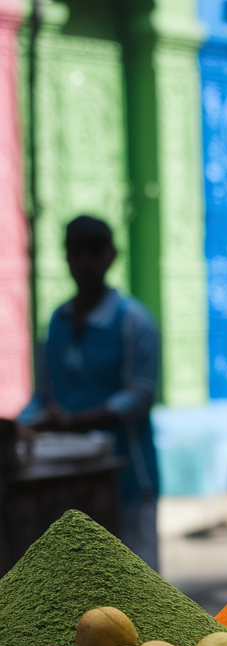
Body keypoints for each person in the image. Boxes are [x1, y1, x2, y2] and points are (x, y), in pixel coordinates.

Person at [21, 217, 161, 568]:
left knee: (139, 577)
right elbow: (44, 394)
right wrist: (26, 423)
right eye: (75, 252)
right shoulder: (57, 322)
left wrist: (75, 421)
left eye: (93, 252)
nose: (84, 262)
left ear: (111, 255)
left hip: (128, 473)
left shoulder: (133, 321)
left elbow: (139, 397)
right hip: (67, 479)